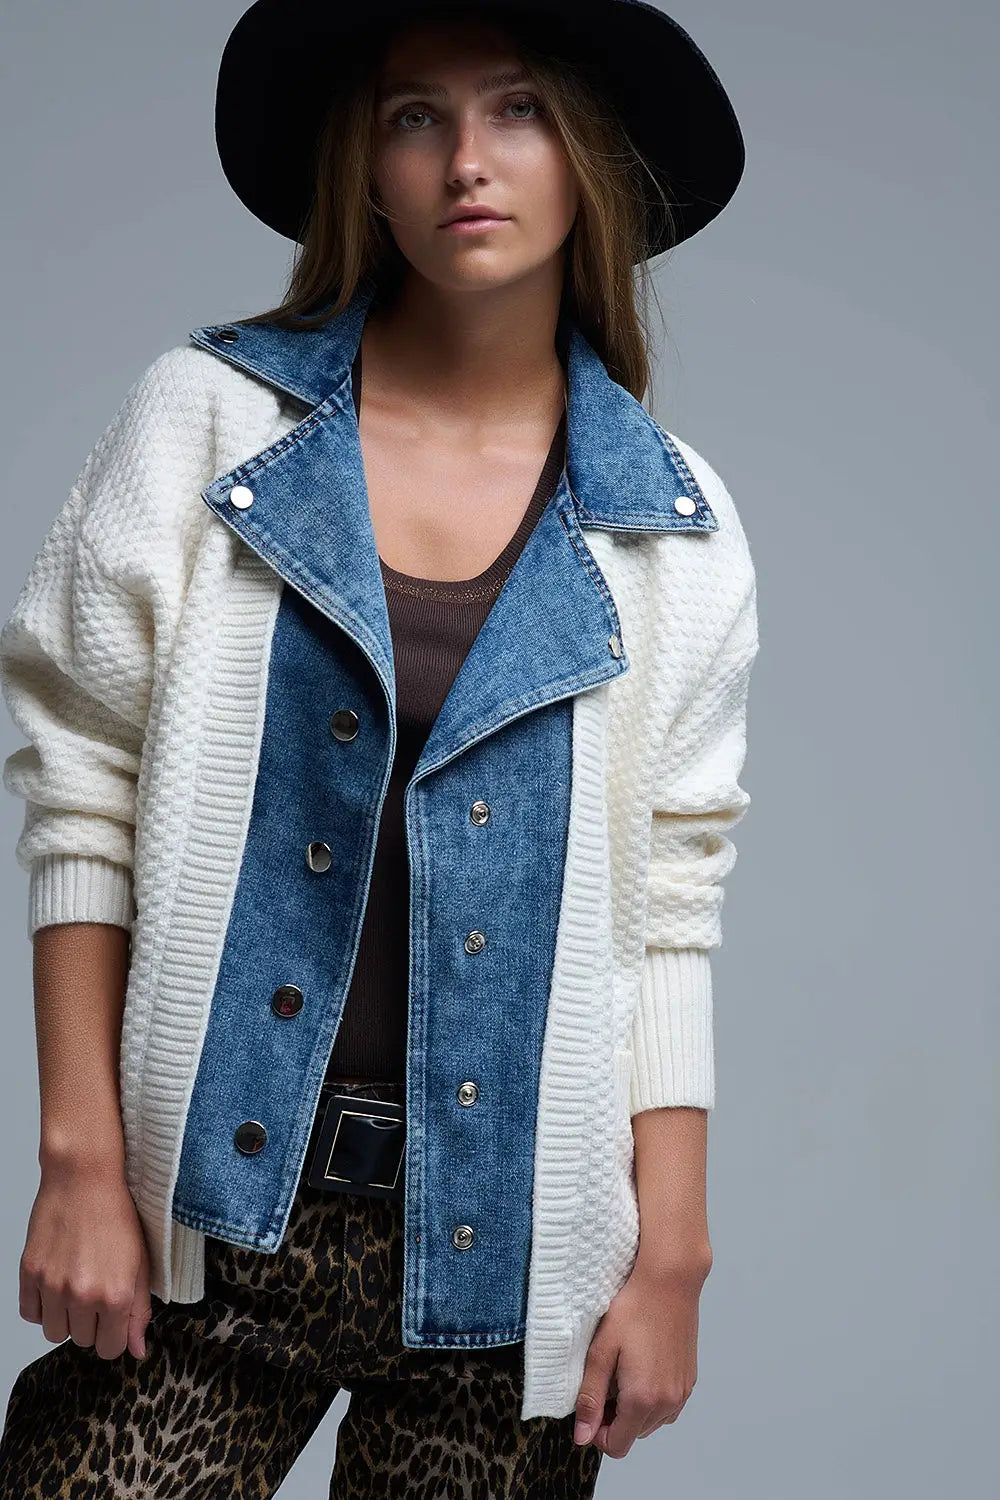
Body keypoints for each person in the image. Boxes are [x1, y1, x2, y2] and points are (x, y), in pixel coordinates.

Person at [0, 1, 758, 1494]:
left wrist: (673, 1254)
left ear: (590, 155)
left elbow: (671, 905)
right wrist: (79, 1161)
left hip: (511, 1255)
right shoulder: (211, 423)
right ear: (366, 163)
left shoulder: (674, 527)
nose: (467, 159)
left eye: (518, 108)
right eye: (418, 115)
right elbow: (79, 787)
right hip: (209, 1219)